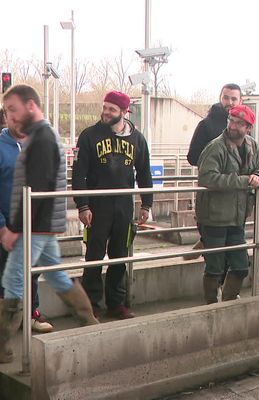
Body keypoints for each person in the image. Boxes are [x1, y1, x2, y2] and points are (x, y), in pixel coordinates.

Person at [0, 84, 98, 367]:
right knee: (58, 277)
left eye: (13, 109)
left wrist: (14, 228)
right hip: (43, 224)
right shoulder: (43, 136)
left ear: (31, 106)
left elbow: (33, 190)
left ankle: (0, 348)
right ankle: (91, 323)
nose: (9, 116)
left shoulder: (41, 140)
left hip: (35, 225)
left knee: (12, 280)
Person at [72, 90, 153, 320]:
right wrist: (83, 205)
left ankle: (117, 303)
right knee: (94, 258)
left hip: (124, 207)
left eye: (112, 109)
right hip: (97, 207)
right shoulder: (89, 136)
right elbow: (79, 174)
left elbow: (145, 173)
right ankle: (91, 305)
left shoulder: (137, 139)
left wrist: (147, 204)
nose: (106, 112)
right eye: (105, 107)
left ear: (124, 112)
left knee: (120, 257)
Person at [0, 112, 53, 333]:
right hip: (9, 223)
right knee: (6, 271)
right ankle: (4, 320)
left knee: (33, 269)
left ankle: (31, 313)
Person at [196, 105, 259, 303]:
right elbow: (208, 177)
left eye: (239, 123)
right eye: (231, 120)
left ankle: (227, 301)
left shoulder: (252, 146)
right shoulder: (216, 147)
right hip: (214, 217)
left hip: (237, 217)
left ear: (249, 128)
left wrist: (258, 175)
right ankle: (211, 306)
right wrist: (244, 181)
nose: (233, 126)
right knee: (215, 267)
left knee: (241, 266)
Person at [185, 83, 242, 261]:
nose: (230, 102)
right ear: (220, 98)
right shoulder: (206, 125)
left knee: (234, 258)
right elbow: (192, 156)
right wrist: (214, 162)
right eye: (226, 97)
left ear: (241, 100)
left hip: (235, 199)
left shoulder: (244, 127)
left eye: (234, 98)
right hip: (213, 195)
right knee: (215, 259)